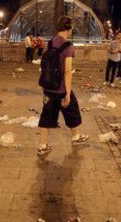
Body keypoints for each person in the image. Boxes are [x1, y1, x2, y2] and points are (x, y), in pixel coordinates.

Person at [37, 16, 89, 156]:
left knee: (46, 116)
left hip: (48, 88)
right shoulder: (69, 47)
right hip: (60, 88)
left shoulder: (50, 43)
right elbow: (67, 71)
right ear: (69, 28)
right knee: (71, 110)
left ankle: (42, 146)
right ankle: (75, 137)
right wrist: (66, 93)